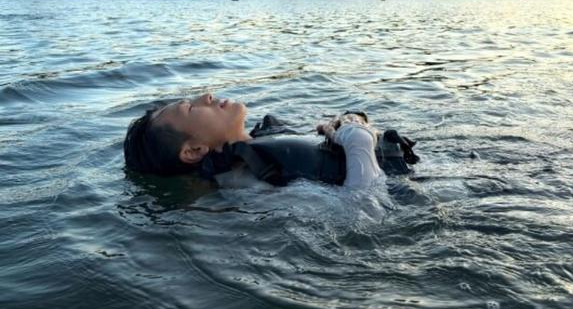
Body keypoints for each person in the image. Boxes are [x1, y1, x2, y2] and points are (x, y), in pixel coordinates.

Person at [123, 93, 417, 188]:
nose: (206, 96)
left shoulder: (261, 141)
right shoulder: (253, 182)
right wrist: (358, 140)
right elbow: (361, 215)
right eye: (190, 108)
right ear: (194, 151)